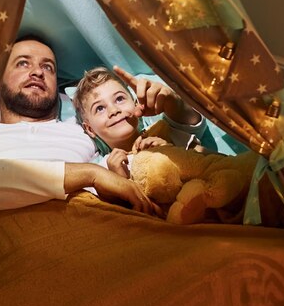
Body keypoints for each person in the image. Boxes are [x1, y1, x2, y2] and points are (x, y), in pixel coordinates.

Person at [0, 35, 200, 216]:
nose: (37, 72)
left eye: (48, 67)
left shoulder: (83, 131)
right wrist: (91, 174)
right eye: (23, 63)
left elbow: (144, 164)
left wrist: (175, 106)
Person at [73, 67, 257, 224]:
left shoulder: (161, 130)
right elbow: (116, 219)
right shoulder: (103, 168)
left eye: (120, 99)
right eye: (100, 108)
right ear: (90, 130)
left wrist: (169, 147)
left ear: (135, 103)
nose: (114, 110)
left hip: (229, 200)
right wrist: (119, 183)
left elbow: (188, 119)